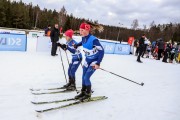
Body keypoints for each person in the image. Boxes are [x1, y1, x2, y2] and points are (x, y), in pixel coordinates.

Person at [73, 22, 104, 100]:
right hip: (87, 60)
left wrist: (98, 63)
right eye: (80, 30)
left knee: (87, 77)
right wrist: (77, 45)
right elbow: (82, 42)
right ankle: (83, 92)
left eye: (82, 30)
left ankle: (88, 93)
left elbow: (101, 51)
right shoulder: (83, 37)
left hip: (94, 61)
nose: (80, 32)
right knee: (83, 76)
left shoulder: (94, 40)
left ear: (87, 30)